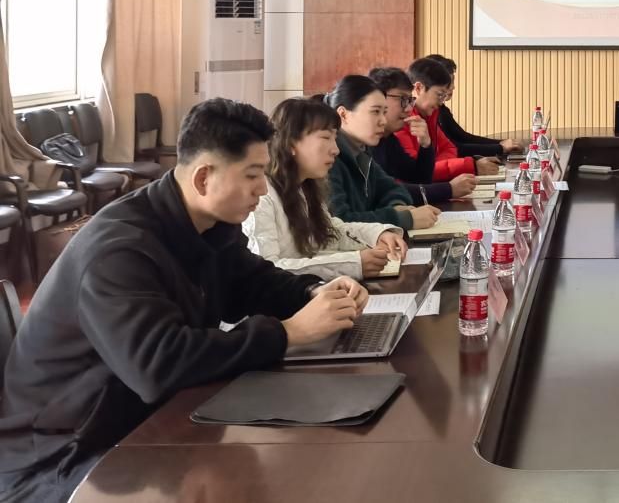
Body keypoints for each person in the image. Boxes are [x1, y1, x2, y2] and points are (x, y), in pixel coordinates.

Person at [0, 99, 368, 502]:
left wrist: (312, 292)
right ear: (203, 178)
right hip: (64, 456)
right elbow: (158, 364)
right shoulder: (119, 250)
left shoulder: (207, 222)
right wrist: (287, 333)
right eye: (252, 175)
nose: (263, 189)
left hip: (138, 423)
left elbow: (250, 281)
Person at [245, 97, 409, 280]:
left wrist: (377, 235)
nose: (335, 150)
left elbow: (330, 232)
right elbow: (268, 270)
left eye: (335, 138)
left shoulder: (305, 186)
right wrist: (353, 264)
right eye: (325, 138)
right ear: (290, 143)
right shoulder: (261, 197)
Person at [324, 75, 441, 231]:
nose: (383, 121)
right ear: (343, 114)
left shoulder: (362, 151)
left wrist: (397, 206)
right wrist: (402, 218)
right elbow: (340, 223)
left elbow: (393, 189)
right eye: (375, 112)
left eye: (384, 112)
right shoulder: (328, 158)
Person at [367, 66, 475, 203]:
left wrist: (426, 146)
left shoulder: (388, 139)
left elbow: (419, 179)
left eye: (409, 100)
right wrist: (448, 189)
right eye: (402, 99)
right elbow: (386, 190)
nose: (408, 108)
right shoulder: (363, 143)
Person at [395, 58, 499, 180]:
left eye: (444, 96)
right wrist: (470, 165)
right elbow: (414, 173)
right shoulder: (401, 121)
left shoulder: (430, 116)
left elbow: (449, 148)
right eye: (439, 95)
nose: (441, 102)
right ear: (418, 88)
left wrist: (435, 165)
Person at [422, 54, 522, 157]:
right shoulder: (425, 114)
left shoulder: (441, 110)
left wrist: (501, 143)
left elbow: (462, 137)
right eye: (448, 83)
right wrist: (500, 147)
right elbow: (454, 148)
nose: (452, 87)